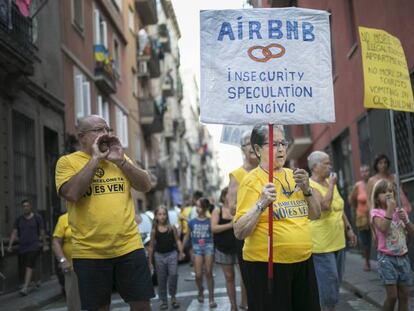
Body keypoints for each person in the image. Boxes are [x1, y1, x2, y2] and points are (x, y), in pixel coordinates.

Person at [55, 115, 154, 311]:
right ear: (82, 136)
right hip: (90, 252)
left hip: (129, 246)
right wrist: (95, 160)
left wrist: (122, 161)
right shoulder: (67, 162)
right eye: (99, 130)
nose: (105, 134)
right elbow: (72, 194)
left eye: (107, 130)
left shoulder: (119, 159)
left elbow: (145, 185)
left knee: (142, 305)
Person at [233, 125, 322, 311]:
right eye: (274, 144)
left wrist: (307, 190)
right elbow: (239, 231)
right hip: (267, 266)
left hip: (303, 262)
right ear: (257, 150)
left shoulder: (295, 176)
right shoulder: (251, 181)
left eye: (283, 143)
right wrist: (261, 204)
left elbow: (315, 214)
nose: (281, 149)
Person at [307, 151, 357, 311]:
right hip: (322, 245)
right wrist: (331, 185)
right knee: (329, 283)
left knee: (335, 282)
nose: (330, 166)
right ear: (315, 167)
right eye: (326, 163)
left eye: (330, 163)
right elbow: (325, 206)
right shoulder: (311, 186)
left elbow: (338, 208)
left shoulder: (329, 182)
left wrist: (349, 229)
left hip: (338, 241)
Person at [370, 179, 414, 311]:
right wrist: (390, 209)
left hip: (403, 257)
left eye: (390, 191)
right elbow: (383, 228)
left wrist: (405, 220)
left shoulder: (400, 212)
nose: (388, 194)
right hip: (386, 259)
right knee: (392, 296)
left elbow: (411, 231)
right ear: (377, 198)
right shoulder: (376, 213)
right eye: (383, 192)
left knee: (404, 295)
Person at [228, 130, 259, 310]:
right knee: (249, 275)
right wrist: (256, 202)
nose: (252, 146)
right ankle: (248, 305)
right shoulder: (237, 175)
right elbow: (232, 207)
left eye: (255, 142)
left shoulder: (267, 171)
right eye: (248, 143)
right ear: (243, 149)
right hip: (248, 231)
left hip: (271, 230)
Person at [148, 205, 185, 310]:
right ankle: (164, 300)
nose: (162, 216)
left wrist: (181, 252)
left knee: (173, 275)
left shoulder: (172, 228)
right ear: (156, 216)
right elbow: (151, 247)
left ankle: (173, 297)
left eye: (164, 214)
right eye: (159, 214)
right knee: (161, 279)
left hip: (172, 254)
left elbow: (178, 240)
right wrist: (150, 262)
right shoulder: (154, 230)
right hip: (159, 256)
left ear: (167, 216)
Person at [7, 200, 47, 296]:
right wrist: (10, 245)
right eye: (24, 206)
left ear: (31, 207)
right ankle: (35, 281)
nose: (25, 208)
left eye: (27, 206)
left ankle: (25, 288)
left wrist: (45, 244)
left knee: (29, 265)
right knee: (29, 266)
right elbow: (14, 232)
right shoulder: (19, 219)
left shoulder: (37, 218)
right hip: (23, 247)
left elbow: (42, 231)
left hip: (34, 246)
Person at [183, 197, 217, 308]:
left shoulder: (210, 220)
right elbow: (187, 236)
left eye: (199, 206)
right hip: (196, 248)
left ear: (205, 207)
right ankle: (200, 290)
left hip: (208, 246)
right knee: (198, 275)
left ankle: (211, 298)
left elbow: (213, 235)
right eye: (196, 206)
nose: (197, 208)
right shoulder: (192, 222)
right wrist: (181, 250)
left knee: (208, 272)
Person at [211, 187, 238, 311]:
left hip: (239, 247)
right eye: (230, 194)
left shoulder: (239, 207)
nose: (232, 196)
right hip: (223, 248)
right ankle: (233, 306)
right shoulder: (217, 211)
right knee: (229, 277)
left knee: (245, 277)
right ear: (223, 197)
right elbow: (213, 228)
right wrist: (230, 225)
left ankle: (245, 303)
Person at [52, 212, 81, 311]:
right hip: (71, 266)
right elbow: (56, 242)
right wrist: (63, 260)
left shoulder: (91, 214)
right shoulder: (63, 219)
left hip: (93, 262)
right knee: (73, 298)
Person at [348, 164, 372, 271]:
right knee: (365, 241)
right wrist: (357, 209)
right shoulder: (358, 185)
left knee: (378, 240)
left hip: (375, 216)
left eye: (366, 171)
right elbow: (351, 199)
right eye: (362, 171)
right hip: (362, 217)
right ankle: (366, 261)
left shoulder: (373, 183)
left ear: (370, 171)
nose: (364, 173)